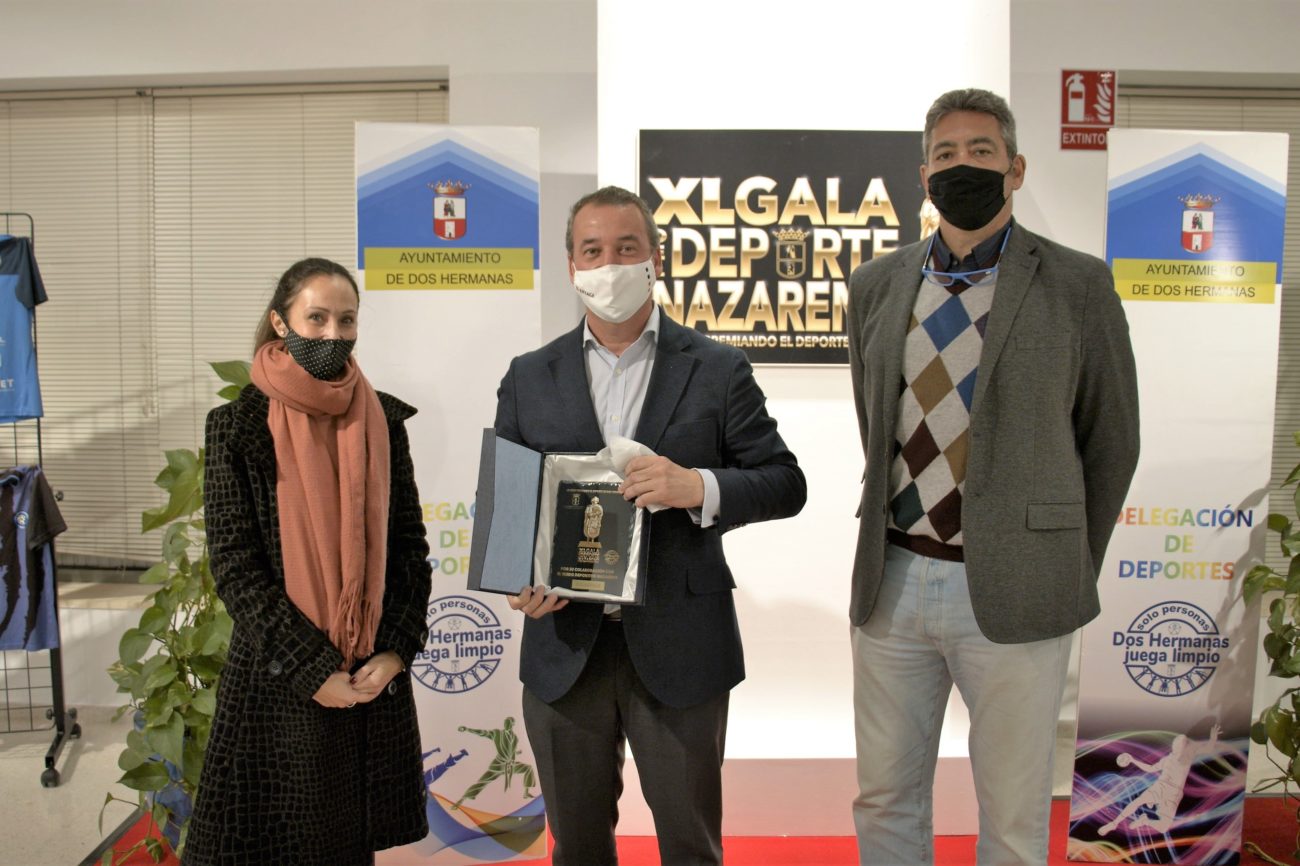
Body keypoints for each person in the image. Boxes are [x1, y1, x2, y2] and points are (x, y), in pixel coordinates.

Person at [846, 89, 1140, 865]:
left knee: (1012, 813)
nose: (962, 166)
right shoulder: (875, 285)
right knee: (884, 797)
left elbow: (1112, 441)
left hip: (1019, 587)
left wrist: (1062, 557)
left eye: (981, 151)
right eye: (945, 154)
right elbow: (876, 419)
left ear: (1016, 168)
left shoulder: (1078, 285)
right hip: (894, 581)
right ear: (923, 176)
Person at [494, 186, 807, 866]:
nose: (609, 265)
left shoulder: (718, 369)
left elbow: (786, 482)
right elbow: (509, 507)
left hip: (682, 645)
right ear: (572, 265)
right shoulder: (528, 376)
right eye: (592, 250)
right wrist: (518, 577)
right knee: (577, 849)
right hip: (565, 649)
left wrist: (699, 487)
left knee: (691, 846)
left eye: (626, 248)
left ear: (654, 261)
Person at [183, 258, 433, 866]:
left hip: (367, 683)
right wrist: (314, 669)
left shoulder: (384, 421)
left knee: (348, 850)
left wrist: (395, 650)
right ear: (281, 322)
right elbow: (236, 568)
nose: (332, 334)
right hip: (277, 683)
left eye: (346, 320)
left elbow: (409, 549)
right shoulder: (235, 426)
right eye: (316, 318)